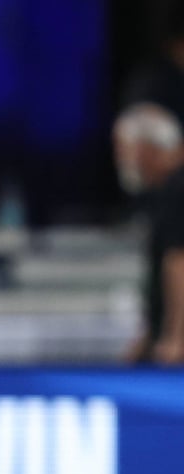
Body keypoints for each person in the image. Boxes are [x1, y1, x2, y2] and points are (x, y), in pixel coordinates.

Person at [112, 103, 184, 365]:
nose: (121, 159)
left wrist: (177, 337)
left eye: (123, 149)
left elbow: (179, 262)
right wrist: (150, 335)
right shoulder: (165, 189)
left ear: (145, 149)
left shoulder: (178, 186)